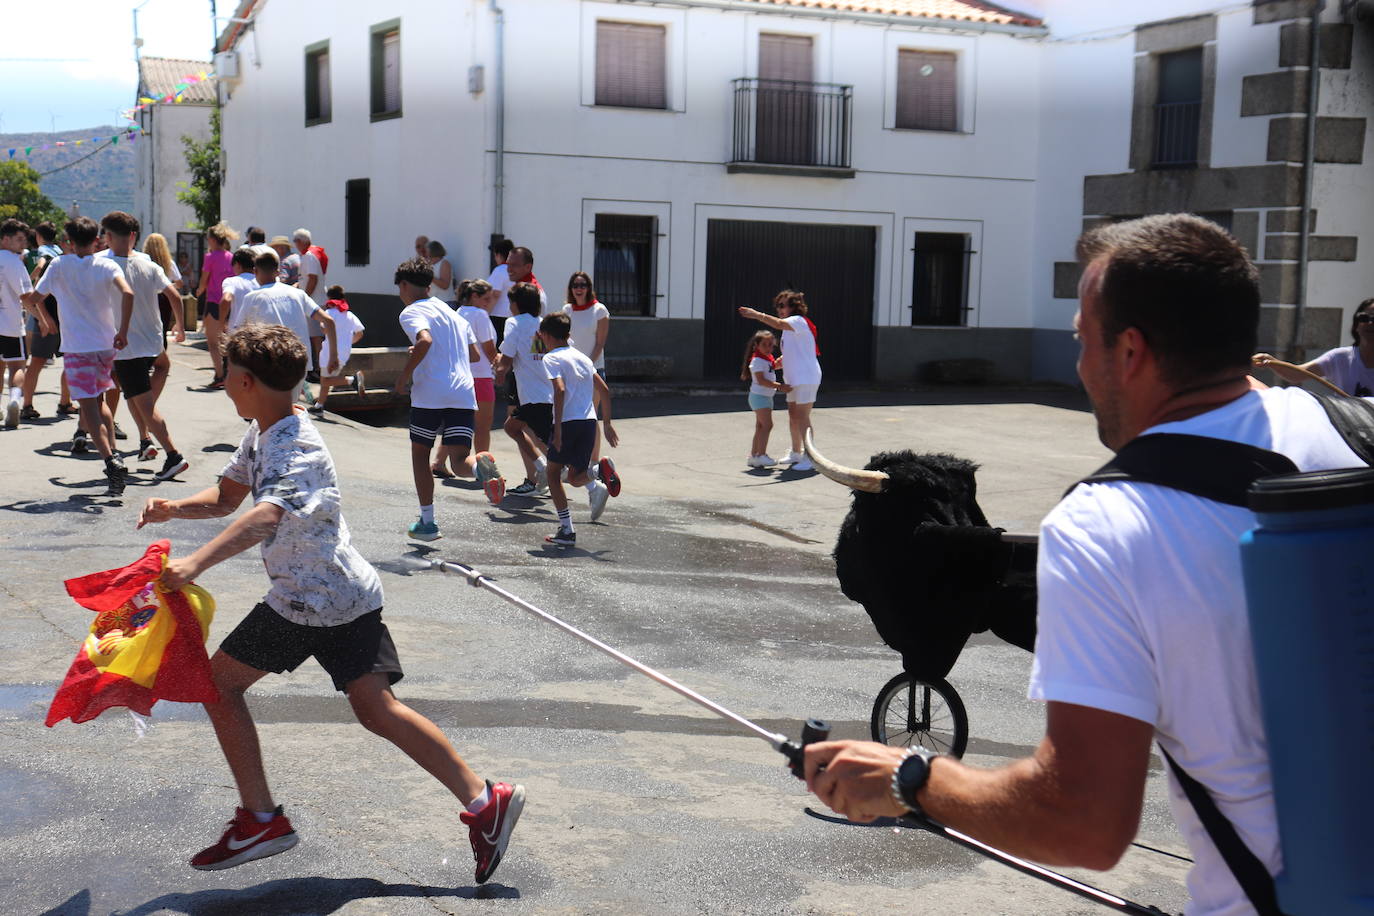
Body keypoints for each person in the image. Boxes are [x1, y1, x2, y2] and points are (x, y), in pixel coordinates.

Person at [802, 213, 1368, 916]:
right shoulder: (1350, 428)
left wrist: (909, 779)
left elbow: (1081, 823)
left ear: (1128, 352)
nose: (1078, 366)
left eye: (1081, 341)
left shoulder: (1106, 526)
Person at [136, 323, 525, 881]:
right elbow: (227, 498)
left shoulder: (295, 446)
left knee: (217, 685)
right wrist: (174, 506)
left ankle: (260, 819)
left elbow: (266, 514)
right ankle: (485, 800)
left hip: (308, 600)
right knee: (377, 709)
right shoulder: (264, 431)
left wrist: (196, 564)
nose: (222, 383)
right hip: (346, 593)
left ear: (245, 382)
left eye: (225, 375)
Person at [22, 216, 135, 495]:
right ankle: (116, 453)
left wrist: (28, 305)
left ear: (69, 242)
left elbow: (35, 298)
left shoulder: (59, 264)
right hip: (105, 344)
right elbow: (128, 293)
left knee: (88, 408)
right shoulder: (107, 264)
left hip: (77, 347)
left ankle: (109, 461)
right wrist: (123, 331)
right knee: (100, 398)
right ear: (97, 240)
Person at [393, 258, 504, 539]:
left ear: (404, 285)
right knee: (459, 461)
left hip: (430, 393)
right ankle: (480, 467)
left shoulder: (411, 312)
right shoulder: (454, 314)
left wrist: (404, 375)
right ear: (429, 284)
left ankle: (428, 523)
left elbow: (426, 340)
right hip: (463, 392)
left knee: (420, 454)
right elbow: (474, 355)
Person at [99, 212, 189, 482]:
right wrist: (180, 326)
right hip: (152, 342)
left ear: (108, 236)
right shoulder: (149, 264)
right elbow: (175, 294)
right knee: (158, 373)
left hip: (125, 346)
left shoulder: (102, 263)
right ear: (134, 236)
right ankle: (143, 428)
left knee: (144, 405)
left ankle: (173, 455)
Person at [537, 312, 618, 547]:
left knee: (553, 475)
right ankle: (597, 472)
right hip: (588, 423)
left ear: (546, 336)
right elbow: (605, 390)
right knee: (574, 477)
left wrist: (559, 430)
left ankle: (567, 530)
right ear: (569, 335)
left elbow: (559, 391)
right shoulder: (583, 358)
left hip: (567, 423)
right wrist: (608, 424)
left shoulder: (551, 358)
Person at [234, 251, 339, 403]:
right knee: (289, 407)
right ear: (277, 271)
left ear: (255, 271)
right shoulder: (298, 293)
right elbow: (328, 321)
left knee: (269, 410)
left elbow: (238, 332)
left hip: (270, 360)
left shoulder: (252, 297)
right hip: (299, 360)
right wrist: (333, 357)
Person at [738, 290, 821, 472]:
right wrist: (776, 364)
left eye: (784, 305)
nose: (780, 309)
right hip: (793, 379)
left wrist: (756, 315)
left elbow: (778, 323)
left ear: (795, 307)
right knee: (793, 417)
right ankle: (796, 452)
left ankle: (810, 457)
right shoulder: (790, 329)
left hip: (806, 377)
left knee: (802, 417)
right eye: (779, 305)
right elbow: (793, 352)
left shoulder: (797, 321)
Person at [439, 278, 503, 498]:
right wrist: (500, 363)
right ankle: (482, 467)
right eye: (486, 299)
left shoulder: (455, 314)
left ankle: (439, 462)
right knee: (483, 426)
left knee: (456, 425)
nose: (488, 303)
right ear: (475, 296)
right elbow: (488, 348)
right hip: (481, 376)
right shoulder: (480, 315)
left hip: (459, 377)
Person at [495, 282, 553, 497]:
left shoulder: (514, 323)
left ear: (516, 304)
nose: (509, 307)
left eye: (510, 303)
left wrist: (500, 372)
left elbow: (508, 356)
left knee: (553, 448)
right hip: (548, 391)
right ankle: (542, 467)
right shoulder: (543, 324)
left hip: (532, 395)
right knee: (513, 427)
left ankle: (593, 481)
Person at [1254, 297, 1374, 397]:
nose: (1370, 323)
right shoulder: (1340, 358)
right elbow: (1297, 374)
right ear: (1356, 325)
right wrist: (1270, 361)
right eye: (1364, 318)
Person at [561, 271, 617, 474]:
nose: (579, 288)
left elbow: (600, 343)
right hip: (570, 371)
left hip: (592, 370)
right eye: (575, 284)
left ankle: (594, 463)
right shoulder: (567, 310)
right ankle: (572, 461)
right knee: (571, 416)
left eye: (583, 284)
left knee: (590, 416)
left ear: (588, 287)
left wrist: (585, 365)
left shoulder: (599, 310)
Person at [19, 221, 72, 421]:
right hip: (50, 320)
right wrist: (44, 318)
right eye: (67, 241)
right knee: (38, 361)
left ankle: (65, 403)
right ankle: (27, 405)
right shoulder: (53, 261)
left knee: (69, 362)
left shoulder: (80, 263)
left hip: (67, 323)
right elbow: (37, 291)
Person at [0, 219, 36, 428]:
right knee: (17, 366)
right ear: (5, 239)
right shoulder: (14, 262)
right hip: (11, 323)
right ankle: (14, 399)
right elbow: (26, 296)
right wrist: (42, 318)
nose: (23, 243)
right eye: (19, 239)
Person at [195, 222, 239, 389]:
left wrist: (199, 290)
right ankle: (227, 373)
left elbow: (204, 281)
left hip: (214, 302)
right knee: (226, 339)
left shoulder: (210, 257)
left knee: (212, 342)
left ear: (213, 239)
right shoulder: (231, 257)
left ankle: (220, 375)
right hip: (230, 303)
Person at [309, 285, 365, 416]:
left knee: (325, 381)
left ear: (329, 298)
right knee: (327, 379)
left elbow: (323, 328)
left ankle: (352, 380)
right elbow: (360, 333)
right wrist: (348, 343)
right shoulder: (350, 315)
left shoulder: (328, 313)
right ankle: (319, 406)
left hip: (329, 352)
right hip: (344, 352)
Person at [740, 330, 791, 467]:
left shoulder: (766, 359)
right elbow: (761, 380)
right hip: (760, 397)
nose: (768, 348)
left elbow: (773, 367)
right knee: (767, 425)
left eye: (770, 345)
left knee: (760, 426)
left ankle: (754, 455)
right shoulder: (757, 361)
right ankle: (761, 455)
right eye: (764, 345)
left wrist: (782, 360)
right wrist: (780, 386)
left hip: (764, 397)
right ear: (756, 345)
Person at [293, 228, 327, 381]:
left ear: (301, 241)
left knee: (316, 338)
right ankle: (319, 369)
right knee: (316, 337)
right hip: (317, 299)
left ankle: (319, 370)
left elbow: (312, 279)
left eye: (296, 241)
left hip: (314, 301)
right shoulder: (312, 254)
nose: (295, 245)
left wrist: (304, 298)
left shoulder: (308, 256)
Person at [218, 249, 259, 332]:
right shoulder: (262, 281)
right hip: (259, 331)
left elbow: (226, 299)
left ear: (237, 265)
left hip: (237, 331)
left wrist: (221, 324)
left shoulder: (231, 281)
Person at [485, 238, 514, 338]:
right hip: (513, 314)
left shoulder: (500, 270)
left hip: (498, 316)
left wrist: (485, 314)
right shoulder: (517, 270)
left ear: (498, 255)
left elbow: (495, 294)